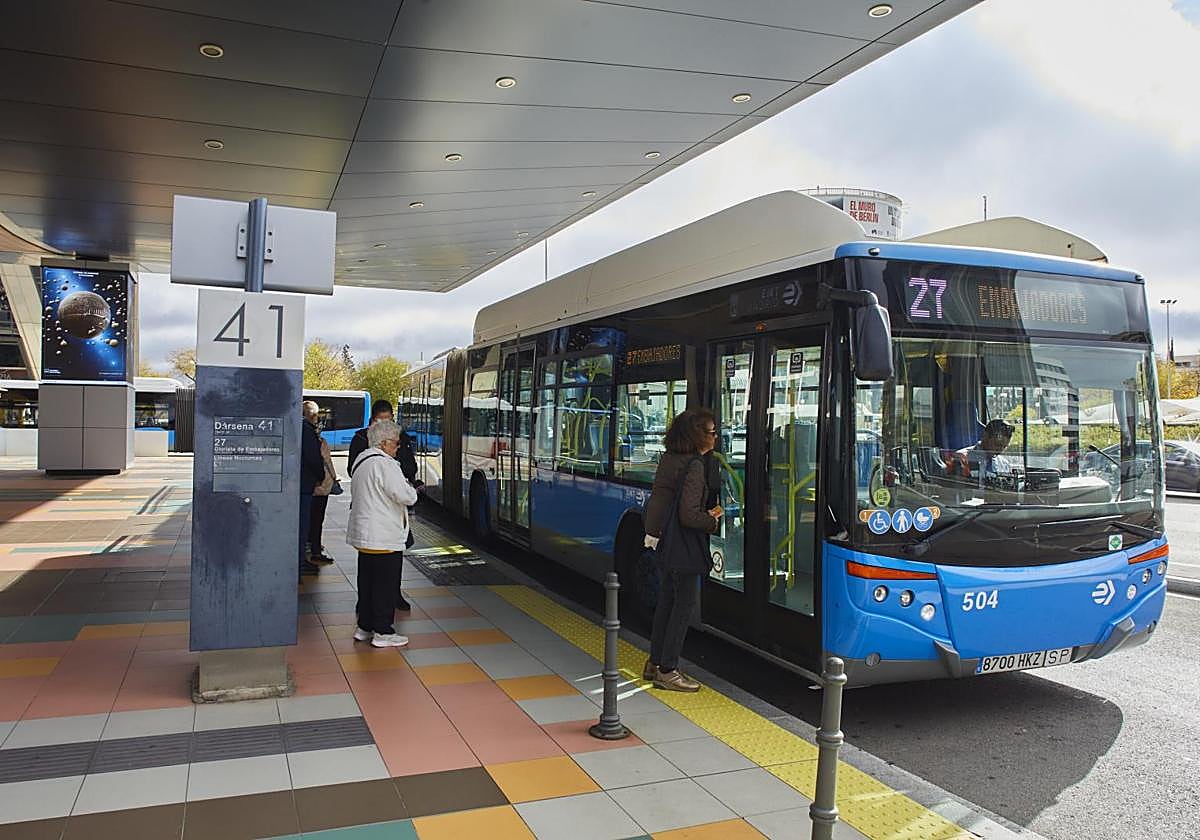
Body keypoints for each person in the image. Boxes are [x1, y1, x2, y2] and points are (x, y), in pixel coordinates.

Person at [641, 407, 723, 692]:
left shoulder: (670, 459)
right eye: (712, 432)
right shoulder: (694, 465)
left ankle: (654, 662)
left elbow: (660, 501)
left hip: (664, 541)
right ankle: (668, 669)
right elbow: (689, 515)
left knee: (667, 601)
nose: (715, 437)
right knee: (682, 607)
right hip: (684, 546)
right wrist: (711, 520)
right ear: (697, 435)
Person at [346, 419, 418, 648]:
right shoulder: (385, 465)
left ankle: (364, 627)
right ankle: (383, 631)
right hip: (383, 535)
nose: (398, 448)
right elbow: (405, 496)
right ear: (385, 443)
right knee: (385, 585)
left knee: (366, 582)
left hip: (365, 535)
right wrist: (412, 489)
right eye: (396, 444)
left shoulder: (362, 460)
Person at [349, 399, 421, 489]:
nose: (384, 427)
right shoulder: (360, 438)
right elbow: (352, 470)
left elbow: (410, 469)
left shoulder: (402, 437)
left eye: (387, 422)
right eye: (380, 422)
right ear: (373, 419)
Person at [299, 400, 327, 578]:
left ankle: (301, 560)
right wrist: (320, 476)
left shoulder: (299, 428)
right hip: (304, 486)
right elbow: (314, 459)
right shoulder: (307, 431)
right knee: (303, 524)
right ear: (314, 416)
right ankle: (300, 562)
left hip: (299, 483)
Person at [308, 408, 338, 565]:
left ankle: (311, 547)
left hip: (311, 487)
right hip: (320, 487)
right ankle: (315, 550)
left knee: (310, 519)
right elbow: (326, 462)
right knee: (317, 519)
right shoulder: (319, 441)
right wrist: (332, 478)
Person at [949, 418, 1016, 483]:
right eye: (997, 445)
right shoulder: (961, 458)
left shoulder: (1004, 464)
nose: (1000, 450)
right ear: (985, 436)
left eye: (1004, 447)